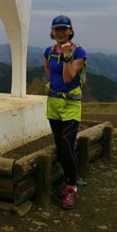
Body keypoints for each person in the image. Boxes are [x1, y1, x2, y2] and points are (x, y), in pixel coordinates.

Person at [43, 15, 87, 209]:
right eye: (57, 29)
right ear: (52, 32)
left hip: (70, 105)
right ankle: (66, 180)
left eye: (64, 29)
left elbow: (69, 78)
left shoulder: (79, 52)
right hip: (53, 103)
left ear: (70, 30)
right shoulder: (49, 51)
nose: (60, 32)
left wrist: (68, 56)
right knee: (59, 145)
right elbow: (49, 72)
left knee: (67, 143)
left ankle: (71, 187)